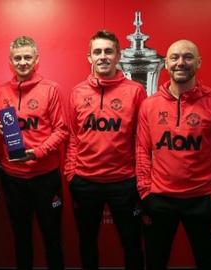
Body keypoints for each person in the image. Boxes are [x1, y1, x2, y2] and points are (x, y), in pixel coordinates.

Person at [136, 39, 211, 270]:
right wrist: (145, 191)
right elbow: (142, 149)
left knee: (209, 263)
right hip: (159, 200)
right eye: (174, 57)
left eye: (188, 57)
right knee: (155, 262)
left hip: (202, 200)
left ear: (198, 62)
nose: (181, 62)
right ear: (165, 63)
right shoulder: (149, 105)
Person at [65, 30, 146, 270]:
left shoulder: (135, 91)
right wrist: (72, 174)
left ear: (118, 56)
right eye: (97, 52)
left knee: (132, 243)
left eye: (108, 51)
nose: (103, 56)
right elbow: (72, 136)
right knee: (87, 242)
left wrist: (139, 178)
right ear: (89, 57)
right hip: (85, 181)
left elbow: (142, 139)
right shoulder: (77, 92)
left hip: (124, 182)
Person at [0, 36, 68, 270]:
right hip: (13, 178)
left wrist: (38, 153)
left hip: (45, 176)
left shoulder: (51, 89)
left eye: (27, 57)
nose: (23, 62)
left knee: (52, 237)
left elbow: (62, 130)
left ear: (36, 60)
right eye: (18, 58)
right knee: (21, 237)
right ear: (10, 61)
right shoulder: (0, 92)